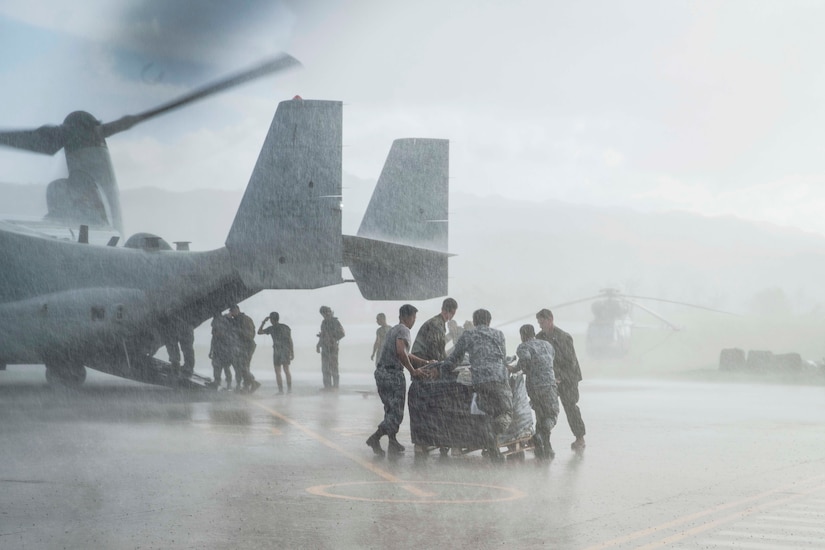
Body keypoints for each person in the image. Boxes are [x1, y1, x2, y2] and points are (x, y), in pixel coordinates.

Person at [444, 308, 512, 462]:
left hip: (481, 382)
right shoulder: (499, 334)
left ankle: (491, 443)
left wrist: (442, 368)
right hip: (500, 380)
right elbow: (502, 357)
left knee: (486, 413)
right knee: (506, 412)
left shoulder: (468, 335)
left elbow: (455, 357)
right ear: (489, 321)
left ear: (474, 322)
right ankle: (492, 441)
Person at [366, 304, 432, 457]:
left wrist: (424, 362)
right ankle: (375, 438)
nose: (414, 321)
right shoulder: (404, 330)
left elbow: (405, 353)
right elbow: (401, 352)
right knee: (396, 413)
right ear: (407, 317)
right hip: (392, 374)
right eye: (414, 318)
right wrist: (413, 371)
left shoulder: (393, 330)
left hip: (382, 372)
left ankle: (393, 441)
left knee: (390, 409)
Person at [536, 308, 585, 451]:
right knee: (544, 409)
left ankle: (579, 438)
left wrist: (560, 377)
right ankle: (543, 439)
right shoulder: (539, 338)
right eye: (539, 323)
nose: (541, 325)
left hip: (568, 378)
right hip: (550, 379)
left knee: (570, 407)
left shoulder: (564, 337)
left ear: (550, 320)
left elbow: (571, 363)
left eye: (543, 322)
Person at [510, 324, 559, 459]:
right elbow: (550, 360)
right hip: (549, 384)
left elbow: (525, 359)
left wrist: (515, 369)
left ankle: (543, 443)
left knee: (540, 413)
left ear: (522, 336)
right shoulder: (547, 345)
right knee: (552, 415)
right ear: (533, 333)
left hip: (534, 386)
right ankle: (541, 438)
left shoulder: (523, 346)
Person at [411, 297, 458, 361]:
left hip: (421, 358)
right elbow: (434, 348)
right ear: (452, 312)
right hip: (421, 360)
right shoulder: (436, 324)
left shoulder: (439, 322)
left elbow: (439, 348)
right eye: (453, 313)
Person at [258, 312, 294, 394]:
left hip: (277, 351)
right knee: (287, 370)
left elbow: (259, 332)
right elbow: (290, 340)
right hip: (286, 350)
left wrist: (263, 322)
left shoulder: (271, 328)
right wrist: (292, 352)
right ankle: (289, 389)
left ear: (271, 320)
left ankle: (281, 391)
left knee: (278, 372)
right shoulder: (286, 327)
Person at [228, 304, 260, 394]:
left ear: (237, 310)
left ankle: (252, 383)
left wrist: (237, 330)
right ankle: (247, 385)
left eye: (233, 312)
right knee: (243, 366)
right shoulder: (237, 320)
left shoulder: (244, 319)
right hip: (243, 346)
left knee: (243, 366)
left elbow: (250, 334)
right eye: (231, 312)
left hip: (247, 346)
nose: (232, 314)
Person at [316, 306, 345, 390]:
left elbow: (342, 333)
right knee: (325, 368)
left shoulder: (335, 322)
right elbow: (323, 335)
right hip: (325, 348)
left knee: (334, 367)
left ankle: (335, 386)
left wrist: (332, 337)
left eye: (324, 314)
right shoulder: (324, 322)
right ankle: (327, 386)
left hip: (333, 348)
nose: (324, 315)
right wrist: (318, 345)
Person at [209, 312, 234, 389]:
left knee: (224, 367)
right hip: (220, 349)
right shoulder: (219, 322)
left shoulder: (223, 323)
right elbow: (213, 338)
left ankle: (225, 383)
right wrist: (211, 350)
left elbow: (215, 337)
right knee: (219, 367)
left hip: (224, 349)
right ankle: (219, 382)